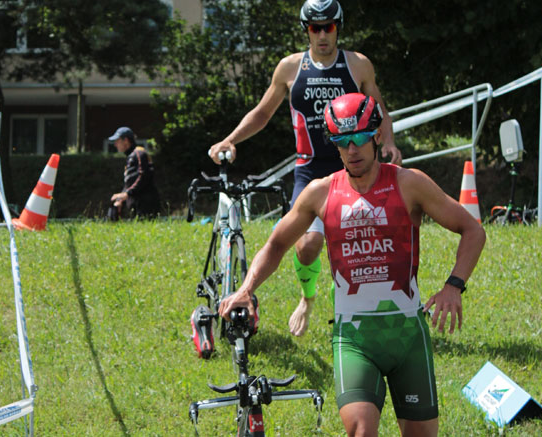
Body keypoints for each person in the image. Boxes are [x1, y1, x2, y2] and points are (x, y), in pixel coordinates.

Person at [218, 92, 486, 436]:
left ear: (376, 135)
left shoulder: (409, 183)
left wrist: (454, 285)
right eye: (342, 142)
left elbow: (472, 230)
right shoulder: (320, 192)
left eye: (359, 138)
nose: (352, 150)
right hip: (354, 338)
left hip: (408, 337)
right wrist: (245, 289)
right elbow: (277, 243)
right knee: (361, 430)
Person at [209, 0, 402, 337]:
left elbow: (378, 110)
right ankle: (307, 298)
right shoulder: (289, 68)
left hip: (353, 168)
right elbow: (263, 112)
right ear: (306, 30)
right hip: (310, 170)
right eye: (315, 28)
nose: (323, 34)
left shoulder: (357, 65)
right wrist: (230, 140)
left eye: (329, 26)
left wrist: (389, 143)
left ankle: (349, 302)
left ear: (338, 27)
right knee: (307, 245)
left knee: (360, 243)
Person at [108, 126, 161, 220]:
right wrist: (121, 199)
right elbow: (130, 182)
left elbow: (144, 175)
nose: (115, 144)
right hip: (136, 205)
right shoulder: (131, 156)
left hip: (146, 205)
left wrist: (127, 194)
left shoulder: (139, 153)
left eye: (117, 140)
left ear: (126, 140)